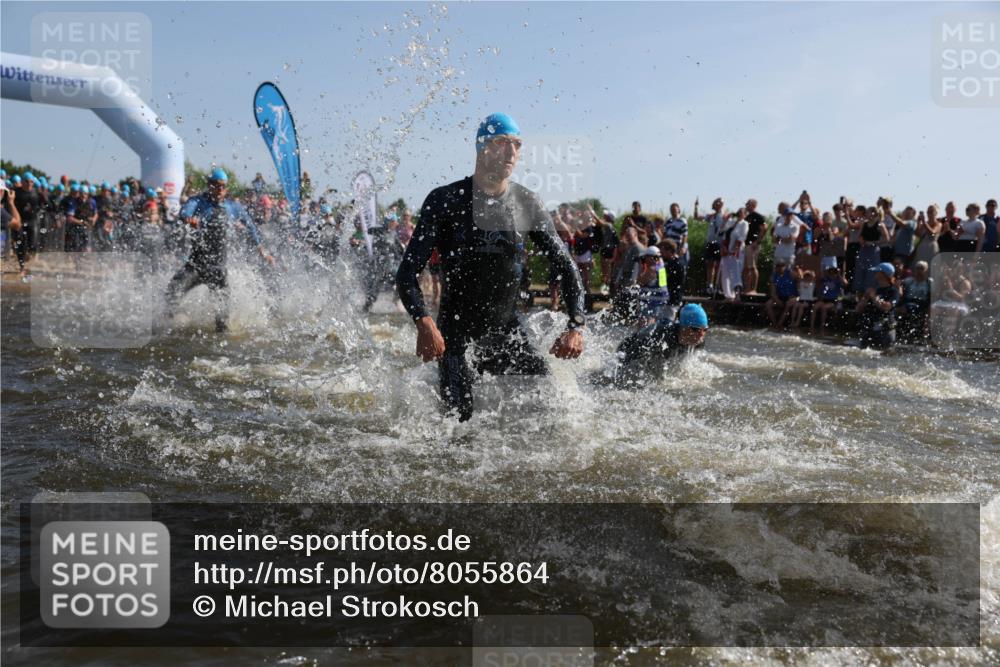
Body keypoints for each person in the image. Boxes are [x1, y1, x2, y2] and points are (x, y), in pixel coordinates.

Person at [395, 113, 585, 421]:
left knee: (552, 415)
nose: (511, 153)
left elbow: (566, 266)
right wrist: (424, 322)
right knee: (458, 425)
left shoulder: (526, 202)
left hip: (508, 332)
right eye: (502, 143)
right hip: (456, 334)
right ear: (482, 148)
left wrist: (575, 327)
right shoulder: (445, 200)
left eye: (517, 145)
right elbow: (407, 273)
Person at [164, 168, 274, 333]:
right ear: (209, 186)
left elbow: (251, 227)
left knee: (222, 323)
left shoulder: (232, 207)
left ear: (226, 188)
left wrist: (261, 250)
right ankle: (167, 329)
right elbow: (185, 211)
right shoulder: (198, 202)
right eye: (215, 185)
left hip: (218, 270)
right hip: (195, 265)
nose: (219, 189)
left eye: (222, 186)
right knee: (172, 292)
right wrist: (189, 219)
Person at [611, 303, 708, 389]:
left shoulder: (698, 342)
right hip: (629, 347)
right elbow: (631, 356)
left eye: (705, 329)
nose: (701, 334)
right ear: (683, 327)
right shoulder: (661, 336)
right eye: (695, 329)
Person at [855, 262, 900, 350]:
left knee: (885, 353)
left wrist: (874, 297)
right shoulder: (875, 289)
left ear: (883, 274)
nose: (875, 273)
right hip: (870, 327)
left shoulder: (894, 291)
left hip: (886, 329)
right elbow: (858, 309)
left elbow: (886, 307)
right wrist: (865, 299)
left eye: (877, 271)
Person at [693, 197, 727, 294]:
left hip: (719, 243)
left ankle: (718, 286)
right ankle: (710, 285)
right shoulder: (711, 216)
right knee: (710, 264)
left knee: (718, 265)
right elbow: (697, 217)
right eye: (715, 202)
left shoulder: (725, 216)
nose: (716, 204)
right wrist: (696, 207)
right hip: (710, 242)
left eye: (718, 203)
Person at [897, 260, 932, 343]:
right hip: (908, 302)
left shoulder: (929, 283)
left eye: (921, 268)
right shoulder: (908, 281)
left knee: (911, 308)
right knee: (900, 308)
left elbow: (932, 298)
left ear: (926, 270)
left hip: (922, 304)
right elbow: (898, 286)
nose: (919, 270)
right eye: (917, 268)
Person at [635, 245, 670, 325]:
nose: (644, 259)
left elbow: (640, 282)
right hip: (659, 303)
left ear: (650, 257)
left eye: (646, 257)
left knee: (644, 328)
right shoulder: (660, 267)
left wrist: (641, 266)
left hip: (651, 304)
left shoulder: (652, 269)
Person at [719, 207, 748, 301]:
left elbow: (741, 237)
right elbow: (722, 232)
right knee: (725, 273)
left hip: (736, 252)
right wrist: (724, 248)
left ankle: (737, 295)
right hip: (726, 252)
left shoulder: (744, 224)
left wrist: (734, 250)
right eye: (738, 212)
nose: (739, 214)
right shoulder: (731, 222)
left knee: (736, 273)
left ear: (744, 214)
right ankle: (728, 295)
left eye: (741, 213)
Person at [811, 266, 846, 334]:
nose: (832, 275)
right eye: (830, 273)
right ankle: (811, 325)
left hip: (833, 301)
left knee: (824, 308)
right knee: (815, 307)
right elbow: (817, 280)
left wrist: (839, 274)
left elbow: (845, 284)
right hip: (824, 299)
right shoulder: (825, 279)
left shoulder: (838, 281)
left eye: (833, 273)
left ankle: (822, 325)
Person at [765, 260, 798, 330]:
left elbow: (800, 279)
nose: (780, 268)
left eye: (782, 266)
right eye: (778, 266)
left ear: (785, 267)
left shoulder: (790, 273)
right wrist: (777, 300)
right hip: (780, 296)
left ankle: (780, 324)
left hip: (791, 296)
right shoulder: (774, 276)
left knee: (788, 304)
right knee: (768, 304)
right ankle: (774, 323)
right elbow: (772, 292)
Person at [743, 198, 767, 293]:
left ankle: (753, 289)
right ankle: (747, 288)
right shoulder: (747, 217)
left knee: (752, 267)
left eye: (748, 204)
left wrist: (757, 242)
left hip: (753, 245)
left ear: (753, 205)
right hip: (746, 244)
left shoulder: (758, 216)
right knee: (746, 267)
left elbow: (764, 228)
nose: (746, 206)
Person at [771, 203, 800, 268]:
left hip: (788, 255)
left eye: (791, 215)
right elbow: (773, 240)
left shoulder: (795, 227)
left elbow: (790, 240)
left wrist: (779, 238)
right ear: (784, 216)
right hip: (778, 254)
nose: (789, 216)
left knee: (788, 275)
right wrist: (783, 239)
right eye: (788, 214)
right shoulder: (778, 226)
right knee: (775, 275)